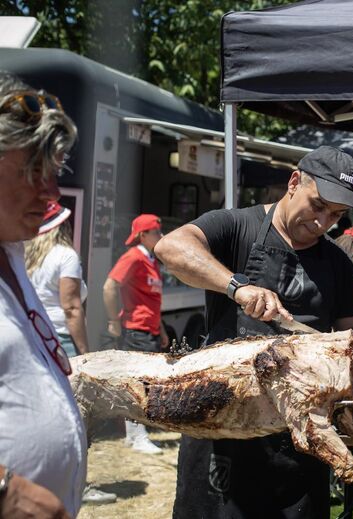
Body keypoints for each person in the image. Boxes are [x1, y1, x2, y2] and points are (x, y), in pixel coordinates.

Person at [154, 145, 353, 518]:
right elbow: (171, 247)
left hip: (297, 438)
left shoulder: (337, 263)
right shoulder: (235, 226)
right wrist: (237, 286)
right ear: (294, 181)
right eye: (317, 206)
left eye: (334, 216)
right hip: (223, 426)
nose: (322, 223)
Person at [0, 71, 86, 518]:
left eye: (53, 173)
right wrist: (5, 491)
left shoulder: (12, 252)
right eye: (34, 172)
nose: (52, 192)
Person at [103, 213, 169, 455]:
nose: (161, 236)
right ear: (143, 235)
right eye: (157, 233)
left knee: (146, 383)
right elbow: (109, 286)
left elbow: (151, 300)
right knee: (139, 384)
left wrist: (160, 329)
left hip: (149, 330)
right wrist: (113, 321)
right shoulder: (133, 257)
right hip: (136, 330)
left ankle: (135, 435)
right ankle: (137, 436)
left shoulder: (151, 260)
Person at [25, 201, 89, 356]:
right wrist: (84, 350)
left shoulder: (25, 255)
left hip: (31, 333)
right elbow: (71, 308)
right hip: (60, 338)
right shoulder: (66, 255)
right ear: (62, 226)